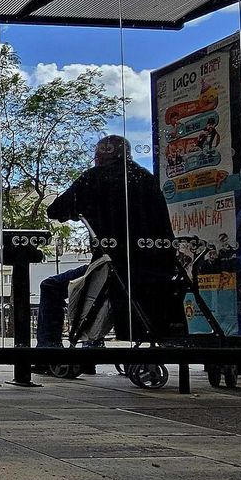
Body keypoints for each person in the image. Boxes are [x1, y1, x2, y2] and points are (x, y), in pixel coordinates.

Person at [37, 135, 178, 349]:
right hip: (156, 267)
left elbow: (55, 210)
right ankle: (91, 345)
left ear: (100, 157)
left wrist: (80, 210)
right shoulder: (146, 178)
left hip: (115, 265)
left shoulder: (94, 178)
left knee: (52, 286)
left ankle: (48, 350)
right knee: (99, 285)